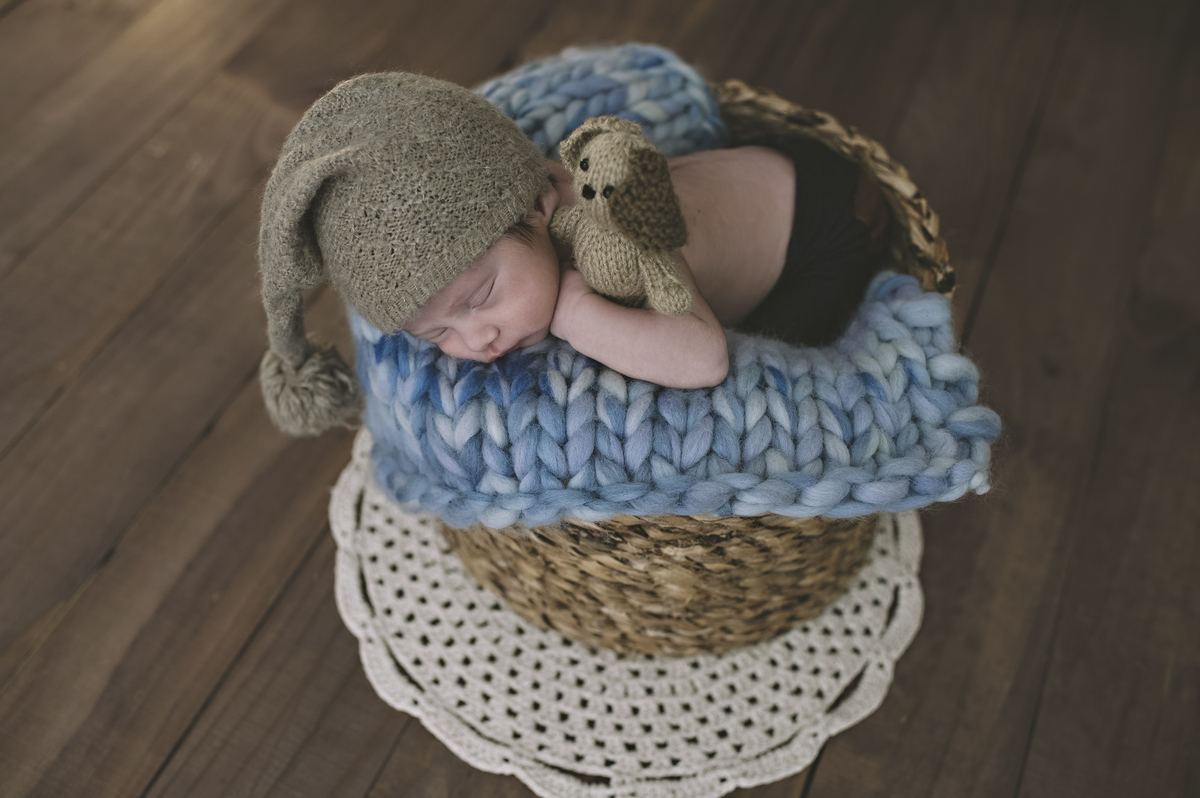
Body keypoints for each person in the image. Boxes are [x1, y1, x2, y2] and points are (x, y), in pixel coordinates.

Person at [258, 72, 885, 436]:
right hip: (746, 184)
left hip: (816, 232)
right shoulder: (523, 216)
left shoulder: (614, 236)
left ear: (540, 202)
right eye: (435, 334)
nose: (475, 338)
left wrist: (577, 317)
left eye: (480, 299)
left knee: (775, 377)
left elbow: (706, 357)